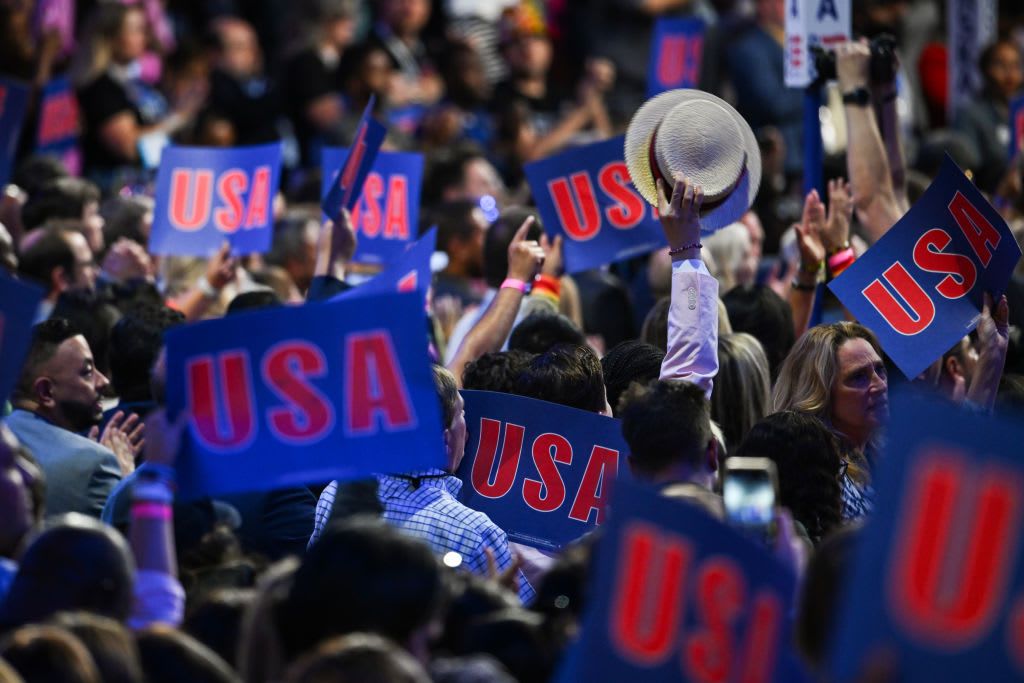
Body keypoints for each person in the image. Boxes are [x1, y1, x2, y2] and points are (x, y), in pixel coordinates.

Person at [311, 366, 534, 604]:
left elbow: (314, 582)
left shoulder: (335, 493)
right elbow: (522, 617)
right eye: (463, 414)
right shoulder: (475, 532)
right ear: (444, 439)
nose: (468, 433)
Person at [4, 319, 141, 517]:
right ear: (46, 392)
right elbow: (131, 543)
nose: (103, 380)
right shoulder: (97, 464)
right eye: (87, 372)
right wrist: (125, 480)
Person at [772, 322, 888, 520]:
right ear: (820, 394)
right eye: (858, 377)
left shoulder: (886, 451)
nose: (880, 385)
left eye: (880, 370)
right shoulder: (818, 480)